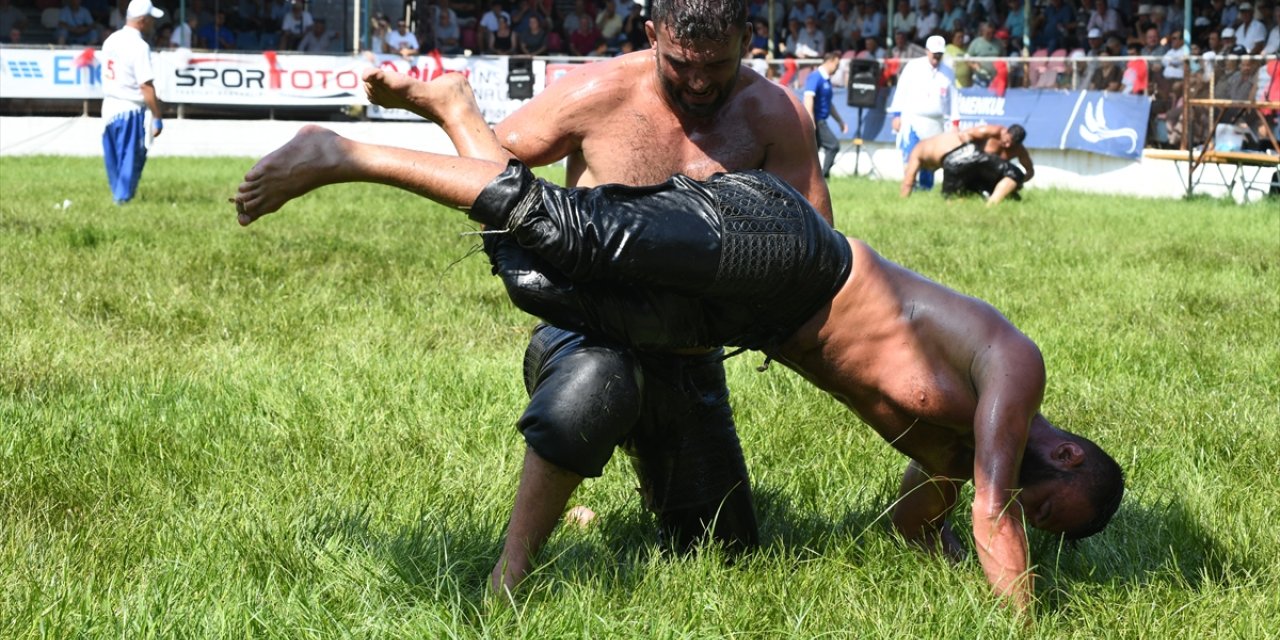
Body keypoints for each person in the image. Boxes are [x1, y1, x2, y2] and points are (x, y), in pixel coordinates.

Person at [233, 74, 1124, 614]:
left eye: (1047, 533)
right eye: (1054, 515)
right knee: (573, 233)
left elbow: (909, 532)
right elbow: (994, 511)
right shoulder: (1015, 371)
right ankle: (344, 150)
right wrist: (1023, 620)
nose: (1035, 530)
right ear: (1065, 452)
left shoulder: (945, 460)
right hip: (795, 259)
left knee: (535, 279)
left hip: (749, 323)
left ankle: (453, 106)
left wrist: (937, 555)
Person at [234, 0, 833, 598]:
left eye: (718, 64)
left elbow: (811, 252)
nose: (700, 81)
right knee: (600, 380)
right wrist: (451, 124)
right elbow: (495, 177)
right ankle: (509, 578)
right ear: (652, 36)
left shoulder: (776, 116)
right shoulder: (598, 91)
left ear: (748, 41)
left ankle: (648, 473)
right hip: (584, 330)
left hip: (688, 357)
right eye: (681, 63)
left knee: (726, 554)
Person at [100, 0, 165, 205]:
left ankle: (117, 199)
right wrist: (157, 116)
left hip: (109, 107)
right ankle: (122, 202)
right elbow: (145, 85)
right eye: (151, 19)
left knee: (114, 161)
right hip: (130, 110)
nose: (153, 23)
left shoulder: (111, 39)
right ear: (143, 21)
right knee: (130, 159)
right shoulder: (139, 46)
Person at [888, 34, 958, 192]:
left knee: (931, 159)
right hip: (914, 119)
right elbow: (901, 91)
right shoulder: (913, 67)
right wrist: (897, 115)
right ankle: (908, 187)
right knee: (911, 155)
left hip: (936, 123)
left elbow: (954, 98)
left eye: (940, 54)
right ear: (927, 51)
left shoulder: (948, 72)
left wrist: (955, 123)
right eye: (934, 54)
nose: (937, 57)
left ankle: (926, 188)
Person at [899, 124, 1033, 205]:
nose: (1007, 145)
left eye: (1012, 144)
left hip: (971, 161)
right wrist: (974, 152)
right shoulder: (993, 132)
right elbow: (965, 135)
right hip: (970, 159)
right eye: (1007, 140)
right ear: (1005, 133)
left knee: (1013, 182)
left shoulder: (919, 151)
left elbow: (908, 181)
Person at [804, 52, 849, 178]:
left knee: (813, 152)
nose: (837, 68)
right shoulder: (815, 77)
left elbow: (829, 105)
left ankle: (810, 178)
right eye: (836, 64)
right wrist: (810, 121)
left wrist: (840, 121)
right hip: (817, 121)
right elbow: (808, 98)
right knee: (833, 146)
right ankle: (822, 177)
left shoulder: (827, 80)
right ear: (830, 61)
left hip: (821, 120)